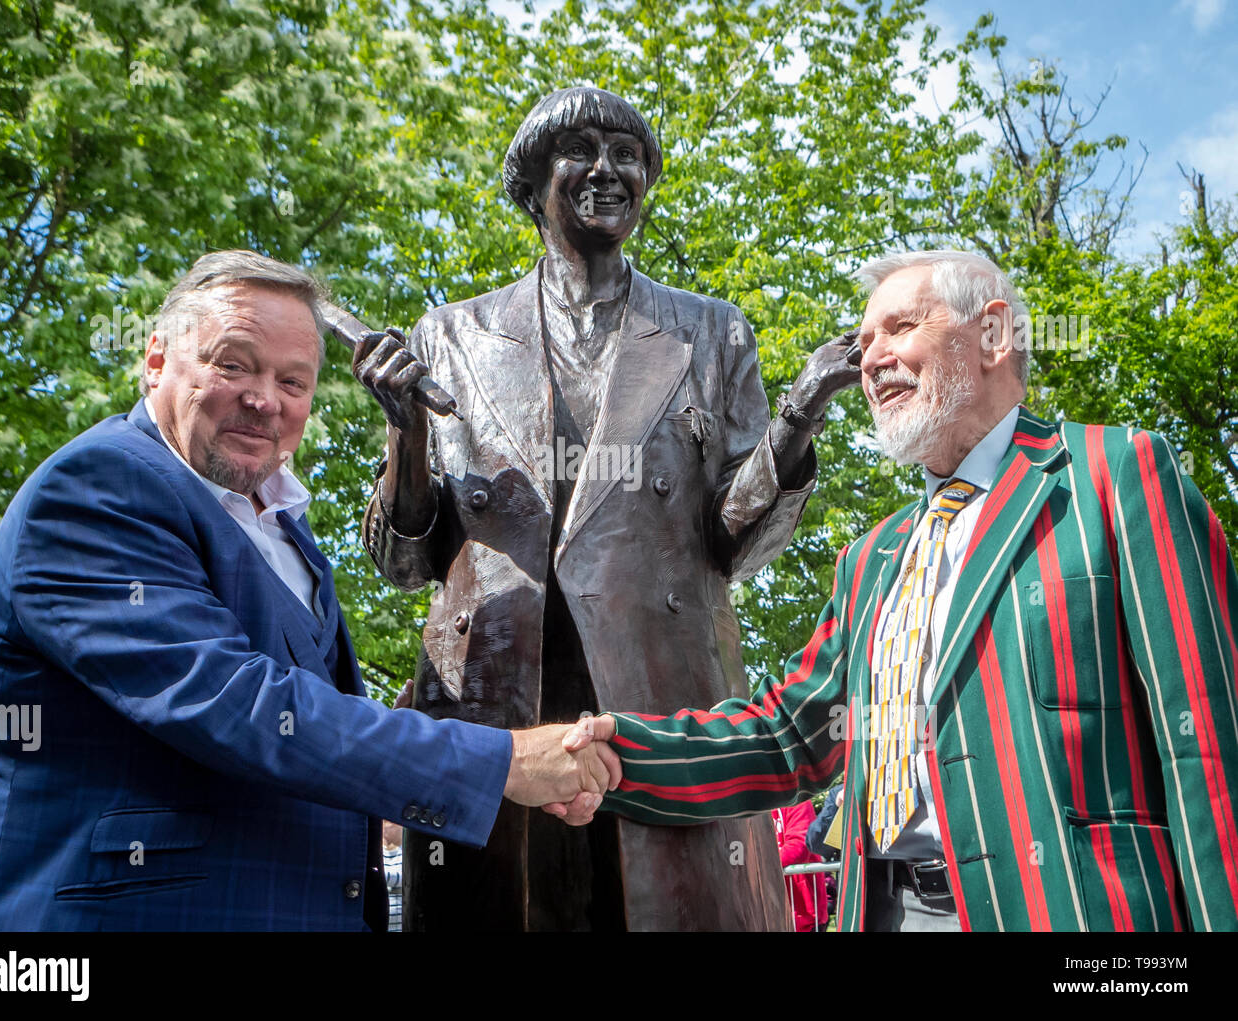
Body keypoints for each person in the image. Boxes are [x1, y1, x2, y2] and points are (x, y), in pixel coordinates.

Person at [0, 250, 619, 932]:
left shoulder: (286, 532)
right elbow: (235, 705)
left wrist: (406, 768)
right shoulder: (96, 488)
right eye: (232, 364)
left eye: (294, 381)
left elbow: (295, 741)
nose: (265, 399)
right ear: (155, 361)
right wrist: (504, 760)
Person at [560, 249, 1238, 931]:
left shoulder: (1111, 474)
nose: (870, 358)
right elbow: (789, 734)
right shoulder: (871, 558)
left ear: (994, 336)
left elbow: (1208, 748)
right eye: (862, 343)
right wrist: (620, 753)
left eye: (899, 327)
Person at [354, 86, 860, 930]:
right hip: (497, 701)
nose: (608, 170)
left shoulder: (712, 332)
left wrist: (799, 415)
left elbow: (734, 541)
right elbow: (407, 563)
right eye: (580, 150)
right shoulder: (452, 334)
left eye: (627, 155)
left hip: (663, 698)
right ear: (531, 183)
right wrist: (405, 435)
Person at [772, 800, 829, 932]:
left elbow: (799, 847)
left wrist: (757, 866)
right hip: (767, 914)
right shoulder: (744, 806)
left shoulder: (796, 799)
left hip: (804, 915)